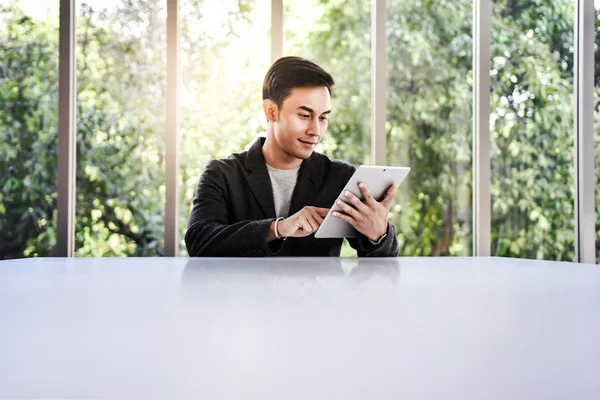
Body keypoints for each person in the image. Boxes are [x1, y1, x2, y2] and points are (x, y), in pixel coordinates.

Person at [185, 56, 399, 257]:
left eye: (323, 118)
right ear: (271, 111)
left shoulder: (340, 177)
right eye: (305, 116)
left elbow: (381, 268)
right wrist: (278, 228)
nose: (316, 130)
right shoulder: (222, 174)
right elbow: (199, 241)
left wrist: (378, 234)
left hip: (316, 297)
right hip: (246, 296)